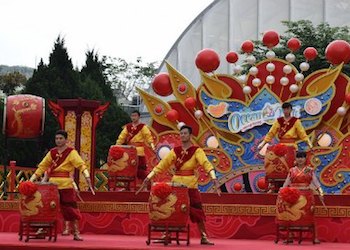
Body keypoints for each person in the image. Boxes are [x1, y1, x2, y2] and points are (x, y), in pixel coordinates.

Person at [142, 125, 221, 245]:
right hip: (176, 186)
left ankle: (204, 236)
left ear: (190, 135)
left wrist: (214, 178)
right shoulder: (175, 151)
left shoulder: (196, 151)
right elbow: (162, 165)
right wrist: (149, 177)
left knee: (197, 211)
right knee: (172, 211)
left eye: (185, 133)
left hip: (191, 186)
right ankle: (166, 235)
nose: (182, 135)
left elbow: (206, 164)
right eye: (181, 133)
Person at [30, 130, 94, 241]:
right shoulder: (52, 152)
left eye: (60, 138)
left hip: (66, 185)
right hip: (52, 185)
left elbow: (81, 165)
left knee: (71, 208)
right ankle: (42, 230)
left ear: (66, 140)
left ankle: (76, 233)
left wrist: (87, 176)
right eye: (57, 138)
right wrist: (31, 180)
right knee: (47, 207)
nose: (58, 140)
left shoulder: (71, 152)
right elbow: (42, 167)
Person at [282, 151, 323, 244]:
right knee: (290, 215)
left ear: (305, 159)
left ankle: (315, 237)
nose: (300, 159)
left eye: (302, 157)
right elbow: (286, 182)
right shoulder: (292, 170)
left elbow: (316, 182)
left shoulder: (309, 170)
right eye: (298, 157)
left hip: (307, 195)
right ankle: (290, 236)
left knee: (310, 215)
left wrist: (321, 192)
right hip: (293, 196)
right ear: (295, 159)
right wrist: (283, 192)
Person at [116, 110, 155, 181]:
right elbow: (122, 137)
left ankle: (145, 183)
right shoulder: (128, 127)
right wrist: (117, 145)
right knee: (128, 168)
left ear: (139, 117)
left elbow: (148, 136)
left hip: (139, 151)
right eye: (132, 116)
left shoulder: (143, 127)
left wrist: (152, 146)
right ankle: (128, 185)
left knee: (140, 168)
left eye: (135, 116)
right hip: (129, 150)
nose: (133, 117)